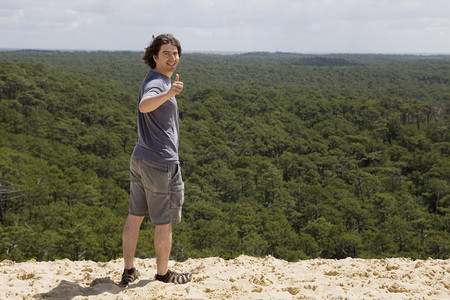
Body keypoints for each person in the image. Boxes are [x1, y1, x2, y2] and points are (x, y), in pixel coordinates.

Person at [119, 34, 192, 287]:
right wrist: (170, 92)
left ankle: (129, 270)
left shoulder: (154, 79)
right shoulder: (159, 83)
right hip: (160, 162)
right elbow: (144, 105)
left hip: (140, 157)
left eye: (175, 53)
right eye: (166, 54)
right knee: (164, 221)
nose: (172, 58)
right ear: (155, 57)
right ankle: (163, 274)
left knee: (135, 215)